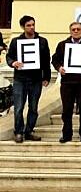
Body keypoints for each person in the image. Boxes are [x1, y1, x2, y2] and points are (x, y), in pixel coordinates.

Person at [51, 22, 81, 143]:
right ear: (70, 31)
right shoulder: (62, 45)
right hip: (67, 82)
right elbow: (55, 59)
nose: (76, 31)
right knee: (67, 109)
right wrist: (59, 68)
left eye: (78, 29)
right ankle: (66, 134)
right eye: (73, 29)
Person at [6, 15, 51, 143]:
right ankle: (18, 132)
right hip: (20, 79)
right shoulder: (16, 41)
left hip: (36, 79)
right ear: (23, 27)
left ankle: (29, 130)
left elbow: (46, 60)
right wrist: (13, 63)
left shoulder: (42, 41)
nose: (31, 27)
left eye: (33, 25)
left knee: (33, 107)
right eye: (28, 25)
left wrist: (46, 77)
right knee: (19, 107)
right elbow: (9, 57)